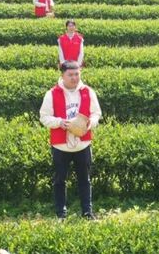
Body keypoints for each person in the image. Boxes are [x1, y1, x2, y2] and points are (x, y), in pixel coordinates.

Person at [39, 61, 102, 219]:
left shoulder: (88, 91)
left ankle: (87, 212)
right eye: (70, 75)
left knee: (85, 180)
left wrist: (90, 123)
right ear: (63, 75)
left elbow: (96, 113)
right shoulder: (51, 94)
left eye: (77, 74)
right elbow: (44, 117)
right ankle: (61, 213)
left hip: (83, 144)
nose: (74, 78)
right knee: (60, 180)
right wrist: (60, 122)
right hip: (61, 145)